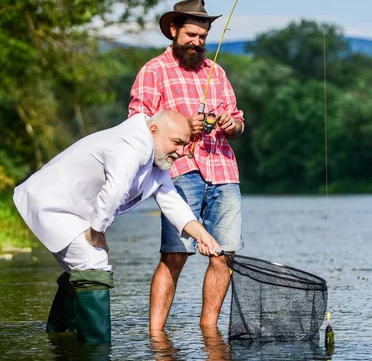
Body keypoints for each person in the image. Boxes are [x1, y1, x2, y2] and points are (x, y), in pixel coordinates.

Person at [13, 110, 220, 343]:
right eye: (177, 143)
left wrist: (202, 235)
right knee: (93, 263)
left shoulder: (157, 159)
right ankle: (96, 353)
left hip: (73, 209)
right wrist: (96, 232)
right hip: (51, 201)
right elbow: (114, 191)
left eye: (185, 145)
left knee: (81, 268)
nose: (182, 152)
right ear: (153, 131)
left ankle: (61, 336)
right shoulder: (130, 146)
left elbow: (172, 202)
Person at [129, 0, 245, 332]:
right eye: (190, 34)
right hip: (179, 173)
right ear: (174, 30)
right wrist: (182, 125)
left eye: (202, 36)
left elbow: (238, 123)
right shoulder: (154, 71)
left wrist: (230, 124)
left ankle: (210, 330)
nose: (196, 42)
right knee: (175, 255)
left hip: (223, 172)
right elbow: (138, 122)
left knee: (224, 255)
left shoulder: (216, 72)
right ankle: (156, 333)